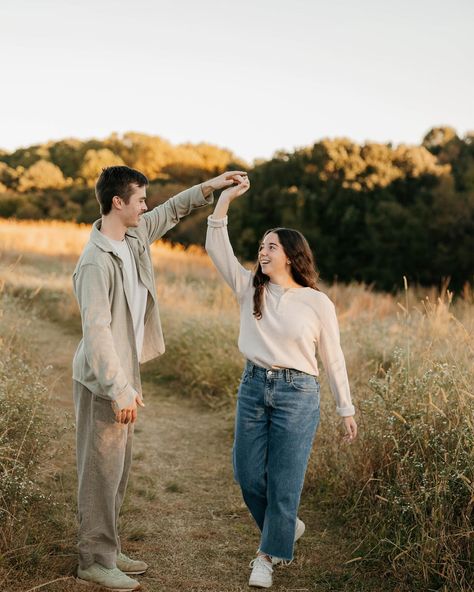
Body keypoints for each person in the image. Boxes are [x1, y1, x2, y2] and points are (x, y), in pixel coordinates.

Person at [72, 165, 246, 591]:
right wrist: (119, 389)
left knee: (119, 468)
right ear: (118, 202)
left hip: (125, 372)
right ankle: (93, 560)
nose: (146, 205)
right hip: (103, 378)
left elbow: (172, 210)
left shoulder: (133, 237)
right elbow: (96, 333)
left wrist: (212, 186)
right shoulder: (95, 262)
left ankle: (107, 548)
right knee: (100, 471)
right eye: (140, 199)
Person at [205, 174, 358, 589]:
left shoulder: (316, 302)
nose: (263, 251)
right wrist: (224, 201)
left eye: (271, 246)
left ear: (291, 255)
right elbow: (216, 246)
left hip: (298, 394)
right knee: (248, 474)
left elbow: (333, 357)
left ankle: (267, 556)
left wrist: (346, 408)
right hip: (253, 386)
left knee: (286, 481)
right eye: (261, 246)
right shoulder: (248, 287)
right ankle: (285, 528)